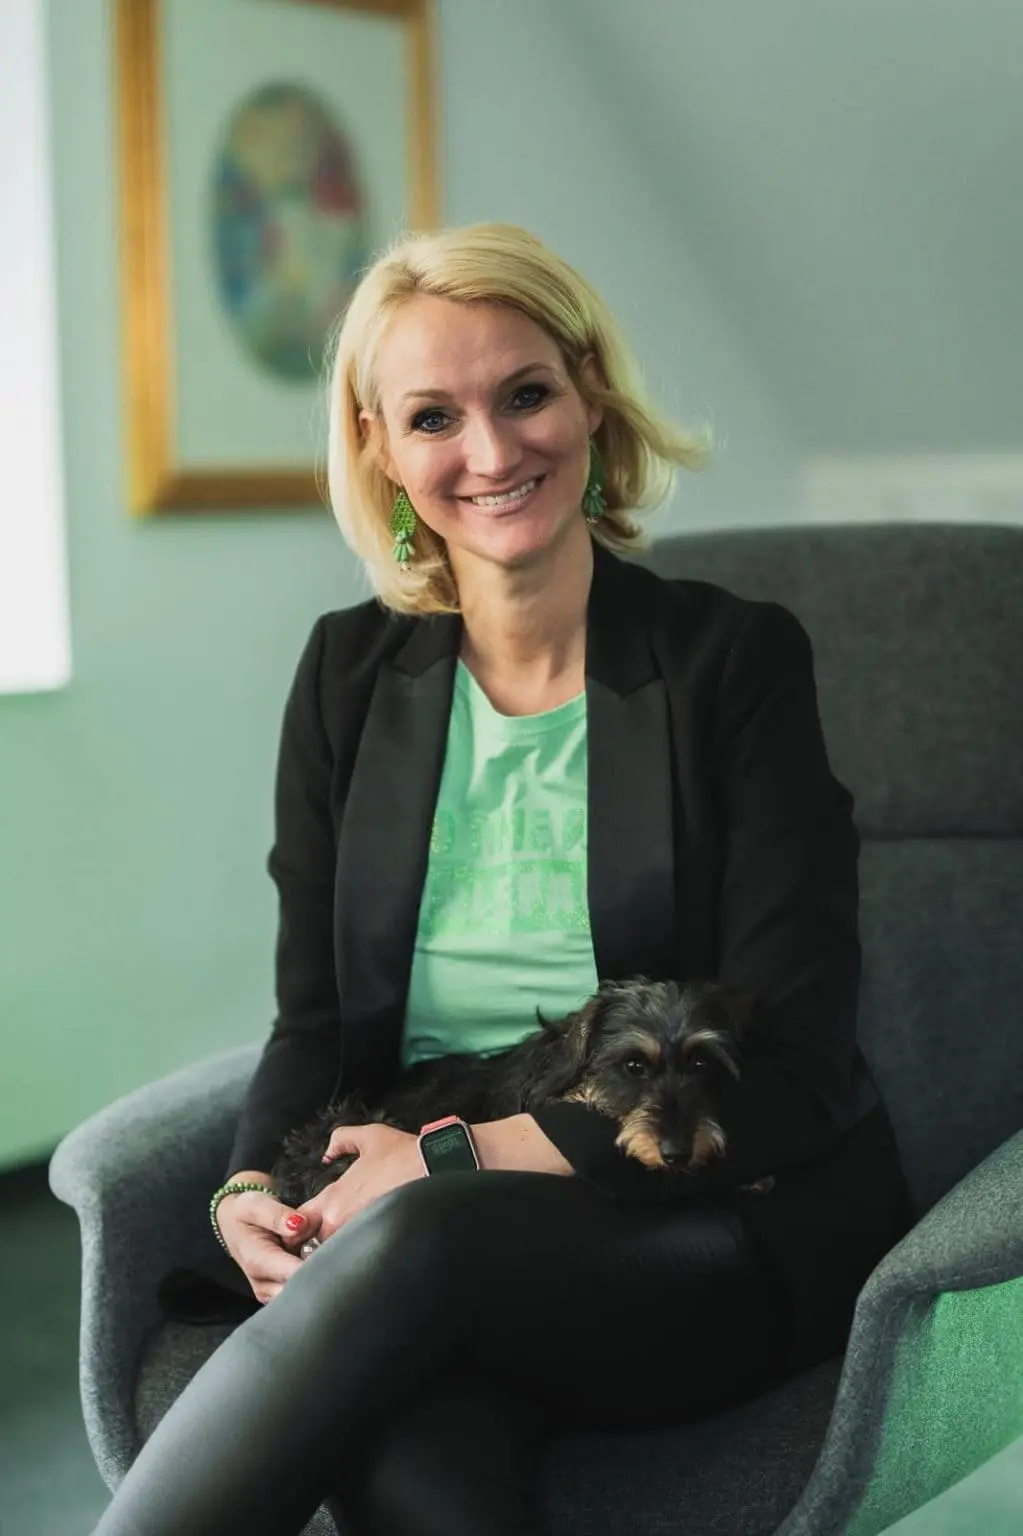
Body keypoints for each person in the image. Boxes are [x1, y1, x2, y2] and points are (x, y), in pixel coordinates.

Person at [93, 222, 914, 1536]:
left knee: (413, 1250)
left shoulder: (732, 664)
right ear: (378, 446)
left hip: (700, 1224)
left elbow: (794, 1059)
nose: (489, 452)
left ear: (588, 393)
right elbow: (315, 1022)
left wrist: (445, 1161)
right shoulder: (347, 676)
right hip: (429, 1242)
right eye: (433, 416)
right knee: (410, 1447)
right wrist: (248, 1191)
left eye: (524, 393)